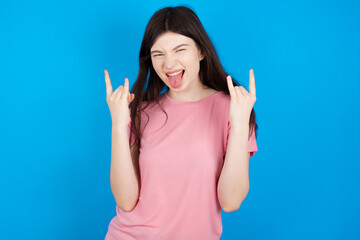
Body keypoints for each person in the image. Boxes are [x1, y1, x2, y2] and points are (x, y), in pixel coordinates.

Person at [103, 5, 258, 240]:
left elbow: (230, 201)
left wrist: (238, 125)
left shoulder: (234, 108)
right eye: (159, 54)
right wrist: (118, 125)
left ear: (201, 51)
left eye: (179, 50)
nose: (169, 64)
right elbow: (125, 200)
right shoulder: (142, 111)